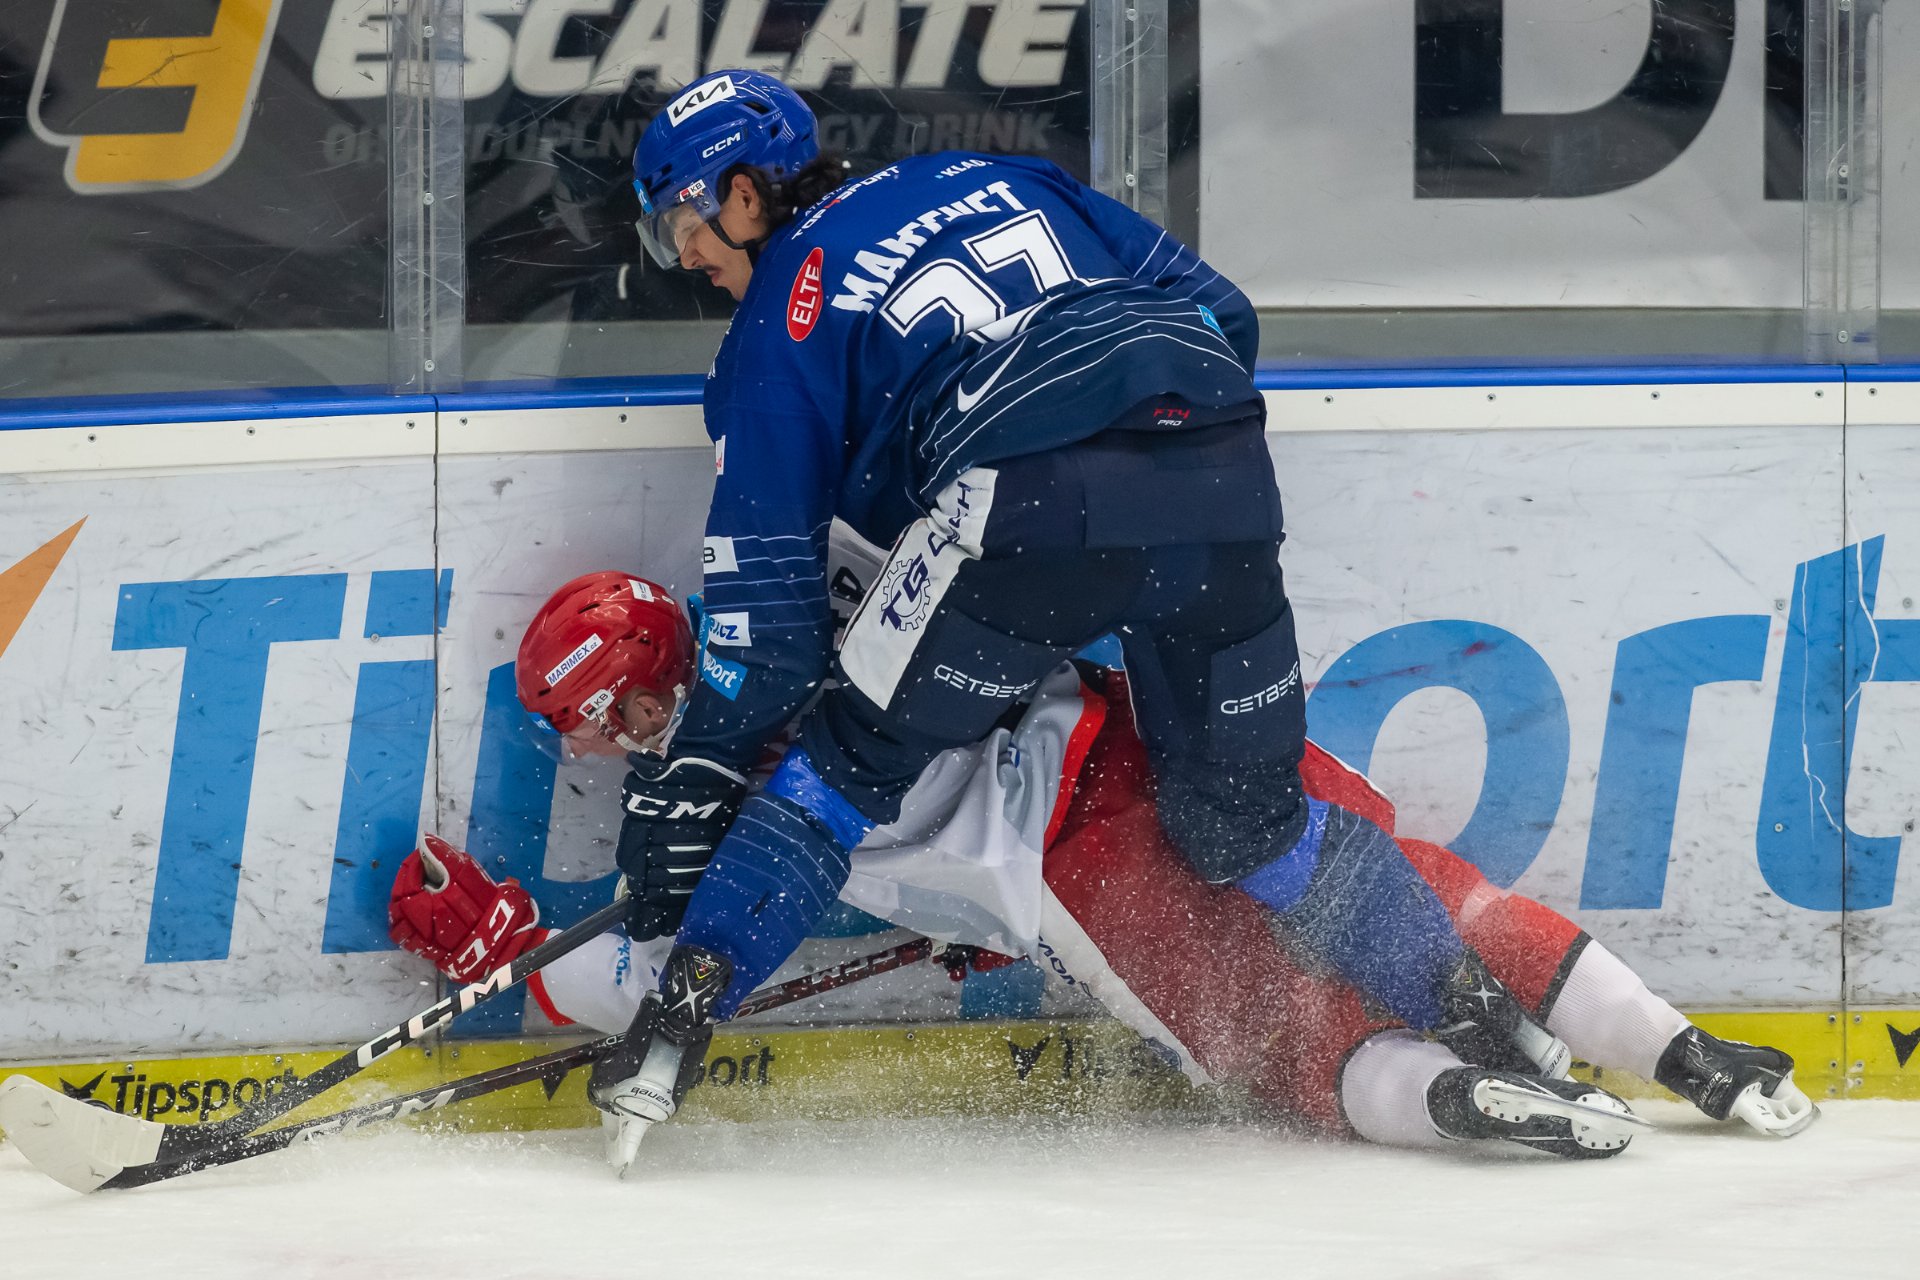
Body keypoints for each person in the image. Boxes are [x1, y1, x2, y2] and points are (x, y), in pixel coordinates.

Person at [595, 68, 1570, 1169]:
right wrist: (1147, 462)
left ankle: (665, 1043)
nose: (683, 256)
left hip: (1028, 509)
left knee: (840, 773)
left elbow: (769, 623)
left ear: (741, 194)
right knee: (1250, 825)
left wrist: (699, 768)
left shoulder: (781, 314)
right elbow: (1225, 313)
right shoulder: (1002, 175)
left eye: (679, 223)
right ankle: (1494, 1018)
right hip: (1221, 473)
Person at [389, 566, 1815, 1167]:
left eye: (603, 721)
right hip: (1155, 729)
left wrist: (513, 961)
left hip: (1071, 870)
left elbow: (662, 976)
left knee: (1285, 1041)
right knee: (1428, 894)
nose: (607, 748)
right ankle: (1689, 1053)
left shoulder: (708, 798)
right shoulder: (810, 581)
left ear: (638, 693)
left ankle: (1457, 1098)